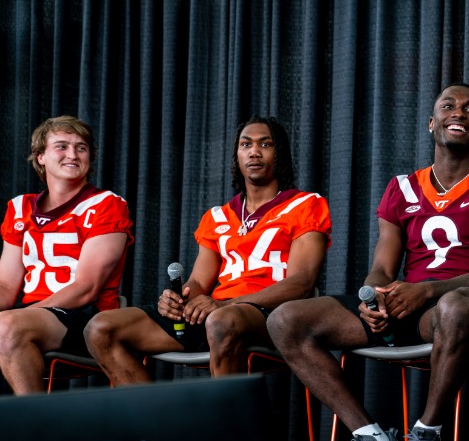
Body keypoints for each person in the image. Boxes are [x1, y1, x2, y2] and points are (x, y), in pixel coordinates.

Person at [268, 83, 469, 441]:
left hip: (463, 312)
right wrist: (375, 295)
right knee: (284, 320)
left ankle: (427, 440)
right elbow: (382, 268)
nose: (458, 112)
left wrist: (425, 290)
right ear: (431, 123)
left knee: (455, 307)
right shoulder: (401, 188)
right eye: (448, 106)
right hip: (408, 309)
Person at [84, 115, 331, 382]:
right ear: (237, 154)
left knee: (221, 321)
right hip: (216, 316)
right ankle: (154, 410)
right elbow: (200, 282)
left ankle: (225, 412)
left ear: (279, 152)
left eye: (265, 144)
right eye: (246, 144)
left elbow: (302, 283)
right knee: (100, 328)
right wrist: (178, 300)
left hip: (267, 315)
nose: (254, 152)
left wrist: (225, 304)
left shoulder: (306, 204)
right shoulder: (217, 216)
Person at [0, 116, 133, 394]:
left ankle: (34, 419)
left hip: (85, 318)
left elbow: (86, 288)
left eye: (81, 148)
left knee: (6, 326)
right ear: (41, 157)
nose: (73, 154)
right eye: (61, 146)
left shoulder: (106, 204)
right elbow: (6, 286)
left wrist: (22, 315)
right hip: (29, 316)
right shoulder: (20, 208)